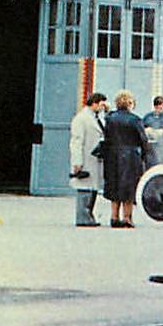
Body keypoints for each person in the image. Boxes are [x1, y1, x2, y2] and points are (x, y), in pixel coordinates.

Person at [100, 90, 151, 228]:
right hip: (130, 157)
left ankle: (114, 217)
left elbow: (106, 136)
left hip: (112, 155)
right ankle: (127, 218)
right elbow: (143, 140)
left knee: (114, 185)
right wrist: (146, 155)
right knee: (128, 188)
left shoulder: (110, 118)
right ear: (130, 103)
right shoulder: (135, 119)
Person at [67, 91, 108, 227]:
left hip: (94, 159)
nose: (103, 108)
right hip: (85, 159)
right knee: (84, 188)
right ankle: (83, 217)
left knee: (92, 189)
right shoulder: (81, 119)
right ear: (94, 103)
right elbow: (76, 141)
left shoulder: (97, 118)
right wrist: (77, 162)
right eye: (101, 105)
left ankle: (89, 215)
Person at [142, 95, 163, 167]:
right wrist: (147, 131)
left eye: (160, 108)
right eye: (157, 108)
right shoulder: (148, 117)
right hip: (151, 150)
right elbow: (141, 129)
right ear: (154, 106)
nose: (159, 110)